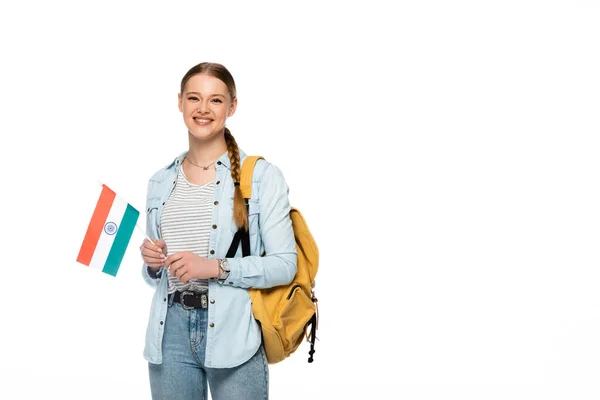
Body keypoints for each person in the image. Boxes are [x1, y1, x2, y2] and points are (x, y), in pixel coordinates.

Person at [139, 62, 298, 400]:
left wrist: (215, 267)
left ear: (232, 106)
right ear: (180, 102)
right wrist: (152, 263)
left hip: (234, 330)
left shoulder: (261, 176)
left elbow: (286, 263)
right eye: (194, 98)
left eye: (215, 100)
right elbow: (156, 276)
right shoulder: (160, 181)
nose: (203, 109)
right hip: (170, 335)